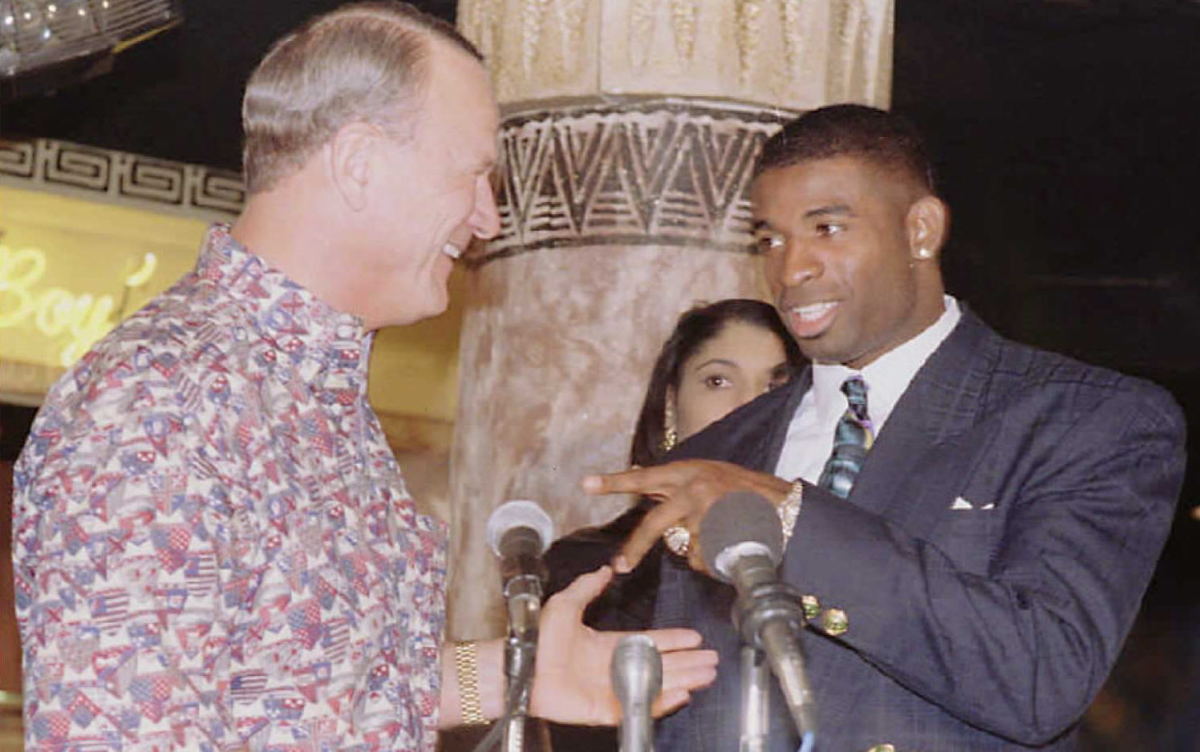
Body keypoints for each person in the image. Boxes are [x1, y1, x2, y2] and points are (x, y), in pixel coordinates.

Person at [11, 4, 717, 750]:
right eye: (473, 175)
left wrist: (520, 673)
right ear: (359, 163)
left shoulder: (312, 396)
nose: (488, 219)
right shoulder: (163, 396)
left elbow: (338, 694)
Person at [580, 104, 1187, 751]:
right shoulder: (717, 453)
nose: (792, 269)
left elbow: (1042, 675)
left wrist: (791, 522)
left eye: (827, 228)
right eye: (770, 239)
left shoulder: (1083, 418)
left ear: (920, 229)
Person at [544, 299, 804, 750]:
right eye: (718, 381)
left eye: (775, 386)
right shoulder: (589, 571)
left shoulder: (828, 553)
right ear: (671, 405)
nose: (749, 406)